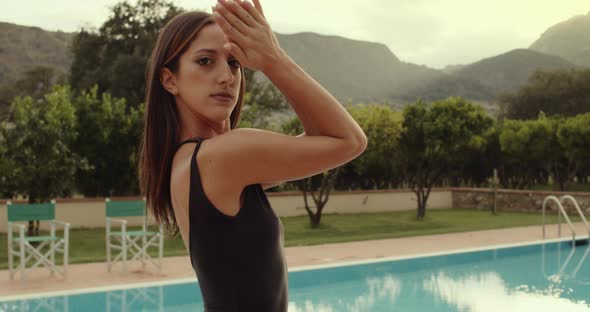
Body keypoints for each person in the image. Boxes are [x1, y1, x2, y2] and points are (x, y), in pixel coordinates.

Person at [138, 0, 367, 310]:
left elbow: (322, 139)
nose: (226, 77)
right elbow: (348, 140)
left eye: (234, 63)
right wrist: (273, 58)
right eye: (206, 61)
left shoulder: (193, 161)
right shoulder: (223, 157)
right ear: (169, 79)